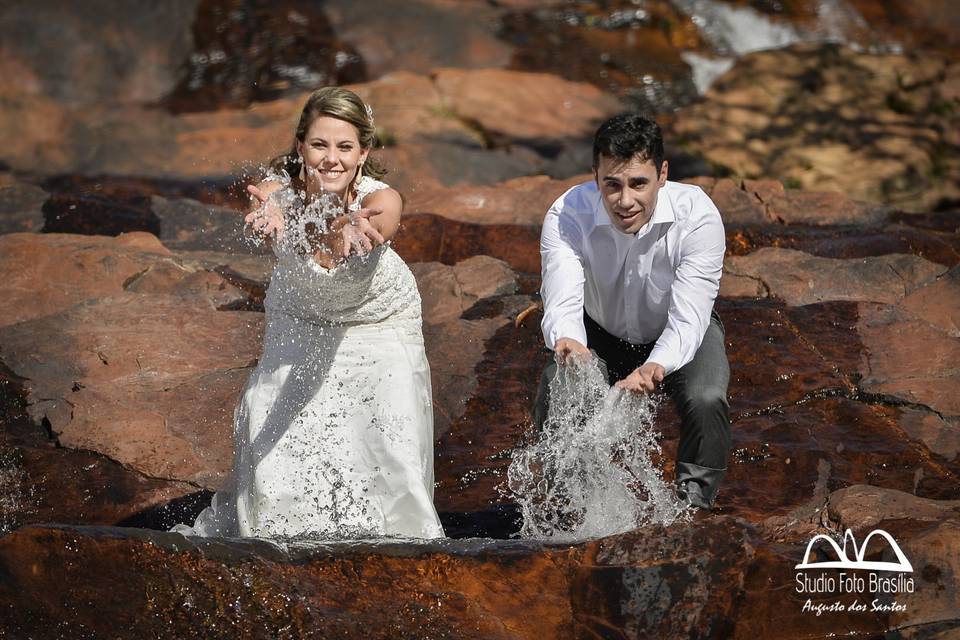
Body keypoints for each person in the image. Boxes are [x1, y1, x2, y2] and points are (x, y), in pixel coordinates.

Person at [172, 87, 444, 539]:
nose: (331, 158)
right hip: (299, 319)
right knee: (273, 438)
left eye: (344, 146)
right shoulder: (279, 192)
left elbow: (386, 218)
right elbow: (271, 206)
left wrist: (363, 226)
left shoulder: (380, 198)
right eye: (319, 144)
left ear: (364, 152)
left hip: (375, 324)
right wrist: (271, 218)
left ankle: (393, 553)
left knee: (385, 452)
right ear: (300, 146)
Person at [534, 113, 730, 510]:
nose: (625, 201)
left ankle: (694, 504)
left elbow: (690, 315)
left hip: (676, 331)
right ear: (595, 177)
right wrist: (568, 339)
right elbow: (561, 293)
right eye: (612, 185)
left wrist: (656, 365)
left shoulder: (699, 216)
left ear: (662, 174)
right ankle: (571, 503)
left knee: (707, 397)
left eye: (638, 183)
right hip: (598, 333)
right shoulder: (567, 213)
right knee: (559, 384)